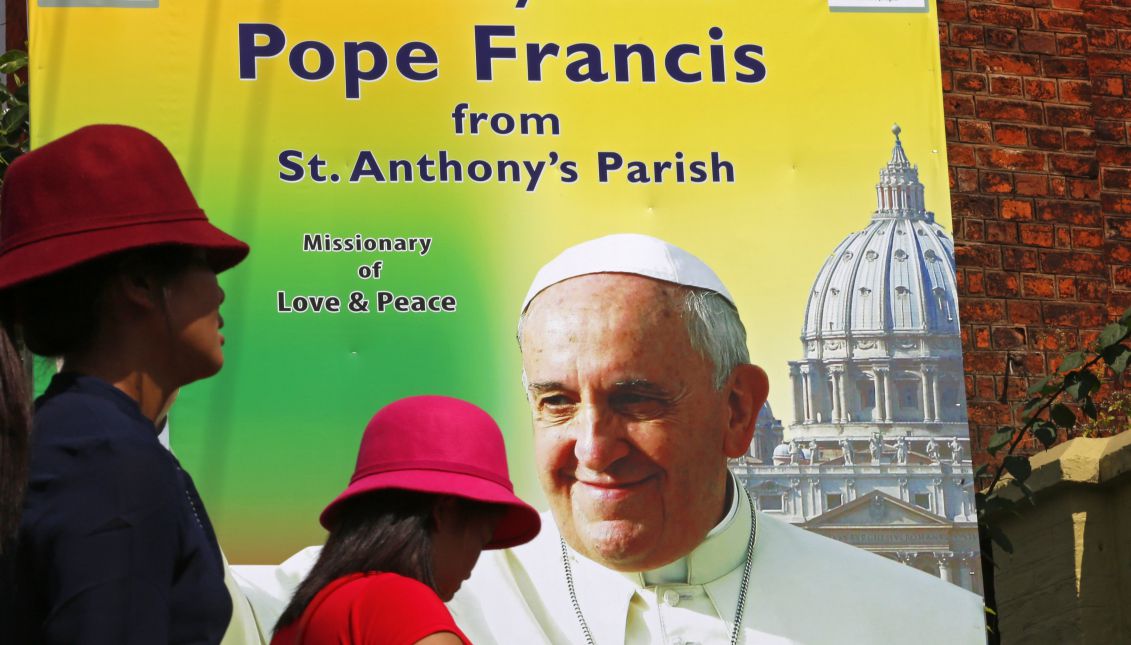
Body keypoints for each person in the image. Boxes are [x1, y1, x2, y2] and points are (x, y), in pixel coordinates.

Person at [233, 234, 985, 644]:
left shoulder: (930, 624)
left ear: (736, 410)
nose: (592, 446)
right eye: (557, 402)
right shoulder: (394, 588)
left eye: (635, 399)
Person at [0, 124, 251, 644]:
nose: (220, 293)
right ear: (139, 284)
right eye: (203, 261)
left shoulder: (81, 438)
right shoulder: (106, 457)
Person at [270, 395, 540, 645]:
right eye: (482, 537)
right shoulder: (399, 602)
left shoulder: (301, 618)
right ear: (444, 512)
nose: (473, 565)